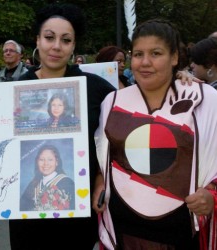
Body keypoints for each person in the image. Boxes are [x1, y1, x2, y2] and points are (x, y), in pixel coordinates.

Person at [93, 19, 217, 249]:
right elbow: (104, 154)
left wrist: (212, 197)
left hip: (180, 233)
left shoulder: (205, 99)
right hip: (122, 232)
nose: (145, 62)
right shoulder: (112, 101)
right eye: (138, 54)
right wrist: (100, 181)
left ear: (174, 58)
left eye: (156, 53)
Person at [9, 4, 116, 250]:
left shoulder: (97, 89)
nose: (56, 46)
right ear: (37, 40)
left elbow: (119, 135)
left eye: (65, 40)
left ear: (73, 46)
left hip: (78, 210)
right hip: (27, 215)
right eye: (49, 37)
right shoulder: (14, 90)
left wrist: (101, 177)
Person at [20, 144, 75, 211]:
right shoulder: (33, 185)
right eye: (42, 159)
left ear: (56, 162)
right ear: (37, 162)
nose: (46, 163)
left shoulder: (67, 183)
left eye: (50, 159)